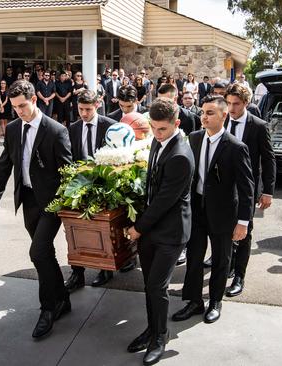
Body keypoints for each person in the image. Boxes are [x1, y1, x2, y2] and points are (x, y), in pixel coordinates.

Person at [0, 79, 73, 339]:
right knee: (44, 253)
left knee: (37, 252)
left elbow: (68, 173)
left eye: (23, 106)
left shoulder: (56, 130)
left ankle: (47, 309)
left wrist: (61, 205)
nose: (19, 112)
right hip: (27, 199)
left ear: (35, 100)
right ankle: (63, 299)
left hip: (52, 202)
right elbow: (4, 165)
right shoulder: (13, 129)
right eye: (15, 108)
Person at [173, 95, 254, 324]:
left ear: (223, 115)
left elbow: (247, 188)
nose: (204, 117)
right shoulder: (194, 139)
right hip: (197, 210)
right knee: (195, 257)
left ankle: (215, 301)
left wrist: (243, 223)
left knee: (221, 259)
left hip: (224, 213)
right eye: (203, 112)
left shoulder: (236, 147)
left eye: (210, 113)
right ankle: (194, 301)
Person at [125, 98, 194, 366]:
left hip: (171, 232)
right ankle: (151, 329)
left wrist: (137, 229)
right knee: (149, 286)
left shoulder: (180, 155)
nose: (156, 133)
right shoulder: (158, 140)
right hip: (153, 227)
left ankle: (160, 337)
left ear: (176, 124)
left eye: (162, 129)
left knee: (157, 286)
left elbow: (165, 200)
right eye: (152, 127)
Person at [222, 83, 276, 298]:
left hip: (247, 188)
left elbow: (269, 159)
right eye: (228, 103)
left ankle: (239, 277)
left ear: (246, 103)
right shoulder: (222, 121)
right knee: (224, 229)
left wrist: (268, 191)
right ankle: (230, 264)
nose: (231, 108)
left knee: (244, 231)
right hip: (222, 188)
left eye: (236, 104)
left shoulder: (259, 126)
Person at [64, 90, 121, 291]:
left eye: (88, 109)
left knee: (104, 230)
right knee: (73, 229)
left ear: (97, 105)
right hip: (79, 185)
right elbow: (71, 156)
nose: (84, 113)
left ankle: (105, 269)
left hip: (104, 184)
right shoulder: (73, 128)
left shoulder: (110, 127)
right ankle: (77, 272)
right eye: (80, 109)